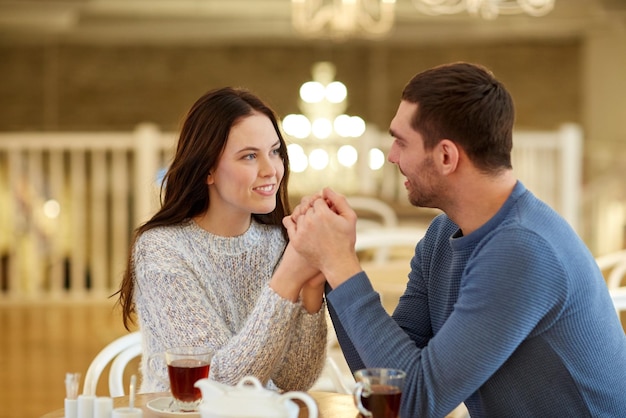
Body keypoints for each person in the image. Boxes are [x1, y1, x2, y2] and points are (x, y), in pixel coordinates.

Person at [284, 62, 626, 417]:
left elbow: (414, 402)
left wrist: (340, 263)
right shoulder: (442, 235)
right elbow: (385, 379)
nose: (391, 156)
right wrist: (330, 261)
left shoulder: (523, 249)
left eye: (401, 142)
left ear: (446, 156)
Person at [115, 87, 327, 394]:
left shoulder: (278, 243)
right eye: (250, 156)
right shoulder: (162, 249)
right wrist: (288, 277)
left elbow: (294, 381)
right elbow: (214, 386)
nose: (271, 170)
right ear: (208, 169)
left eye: (275, 151)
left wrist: (311, 287)